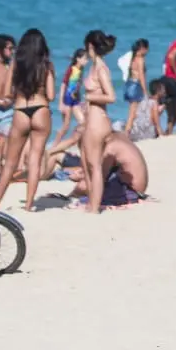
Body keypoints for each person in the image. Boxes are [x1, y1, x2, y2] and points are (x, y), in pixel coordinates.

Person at [0, 29, 54, 212]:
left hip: (20, 110)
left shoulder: (15, 64)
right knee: (34, 160)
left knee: (10, 162)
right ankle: (29, 204)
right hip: (41, 109)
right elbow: (51, 95)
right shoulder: (46, 65)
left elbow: (7, 93)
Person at [81, 31, 118, 214]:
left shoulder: (101, 68)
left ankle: (95, 207)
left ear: (90, 46)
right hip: (93, 121)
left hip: (98, 122)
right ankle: (91, 203)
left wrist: (90, 97)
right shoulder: (95, 66)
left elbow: (111, 96)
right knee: (88, 164)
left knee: (94, 165)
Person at [51, 49, 87, 148]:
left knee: (83, 123)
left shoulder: (81, 70)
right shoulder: (71, 69)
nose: (86, 61)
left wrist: (81, 102)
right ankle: (54, 147)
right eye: (85, 58)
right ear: (78, 59)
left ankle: (74, 141)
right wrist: (60, 103)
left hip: (75, 101)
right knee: (66, 126)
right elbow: (63, 85)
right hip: (67, 100)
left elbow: (77, 88)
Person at [123, 39, 150, 131]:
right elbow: (141, 76)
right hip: (135, 86)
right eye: (147, 49)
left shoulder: (133, 58)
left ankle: (128, 130)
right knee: (133, 113)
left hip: (130, 84)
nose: (147, 51)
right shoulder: (140, 59)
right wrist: (145, 91)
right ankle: (127, 132)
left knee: (132, 111)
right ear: (143, 49)